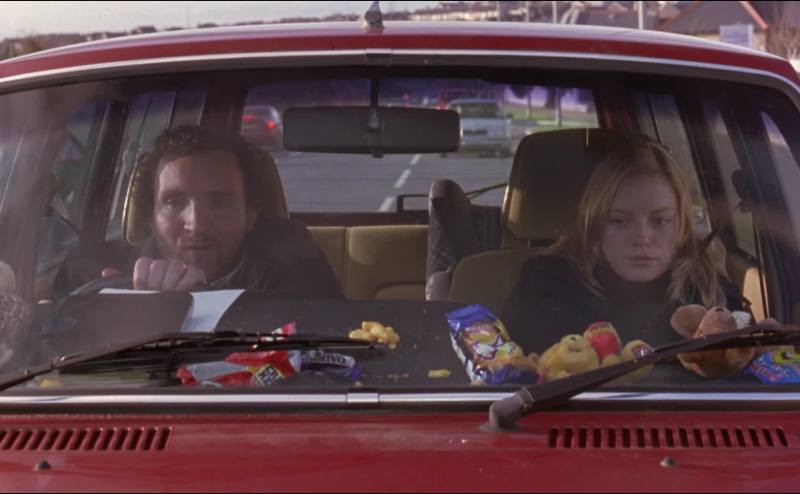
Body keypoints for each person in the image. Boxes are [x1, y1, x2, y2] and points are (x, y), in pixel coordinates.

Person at [502, 137, 745, 353]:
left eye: (660, 220)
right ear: (595, 224)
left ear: (680, 225)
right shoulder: (545, 288)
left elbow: (745, 367)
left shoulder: (708, 287)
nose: (642, 237)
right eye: (619, 221)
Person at [54, 125, 343, 298]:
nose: (196, 223)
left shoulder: (295, 265)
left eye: (219, 202)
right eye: (174, 202)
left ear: (250, 215)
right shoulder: (89, 275)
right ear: (150, 217)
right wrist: (137, 312)